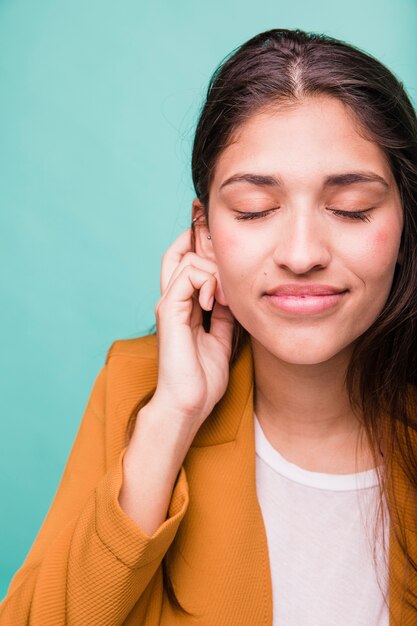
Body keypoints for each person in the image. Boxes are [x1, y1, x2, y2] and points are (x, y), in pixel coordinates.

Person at [1, 27, 417, 626]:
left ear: (405, 223)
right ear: (204, 234)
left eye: (351, 207)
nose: (301, 254)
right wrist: (172, 417)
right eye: (255, 210)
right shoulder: (138, 389)